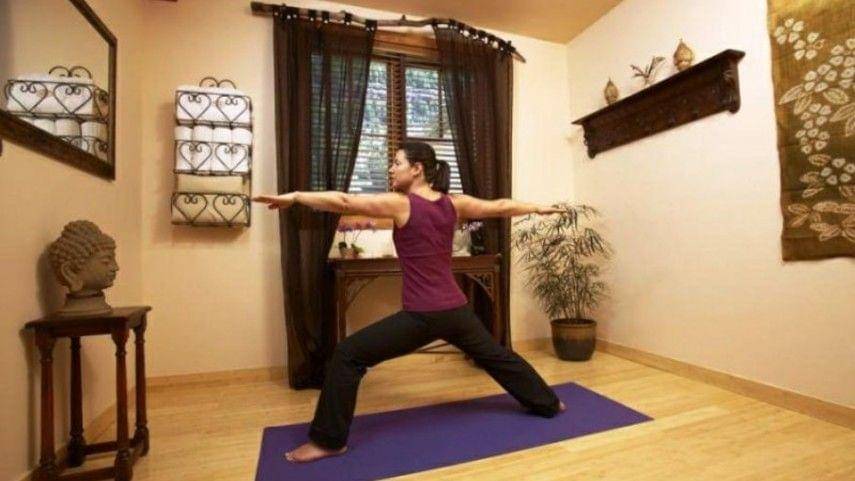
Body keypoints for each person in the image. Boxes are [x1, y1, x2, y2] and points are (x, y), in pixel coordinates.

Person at [252, 141, 566, 463]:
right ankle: (548, 403)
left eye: (397, 162)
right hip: (456, 310)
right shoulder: (453, 204)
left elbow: (344, 201)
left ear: (417, 169)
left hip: (423, 315)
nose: (391, 168)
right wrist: (536, 208)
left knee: (347, 354)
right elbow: (499, 206)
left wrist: (295, 196)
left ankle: (329, 441)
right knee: (497, 356)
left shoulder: (402, 204)